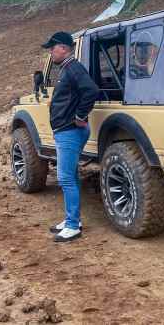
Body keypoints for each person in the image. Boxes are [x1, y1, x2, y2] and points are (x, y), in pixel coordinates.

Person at [42, 31, 99, 243]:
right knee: (71, 175)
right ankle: (71, 220)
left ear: (64, 48)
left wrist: (80, 116)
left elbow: (91, 91)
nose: (50, 52)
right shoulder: (67, 69)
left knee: (65, 178)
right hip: (66, 131)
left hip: (70, 131)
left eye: (52, 48)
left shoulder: (73, 68)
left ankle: (73, 225)